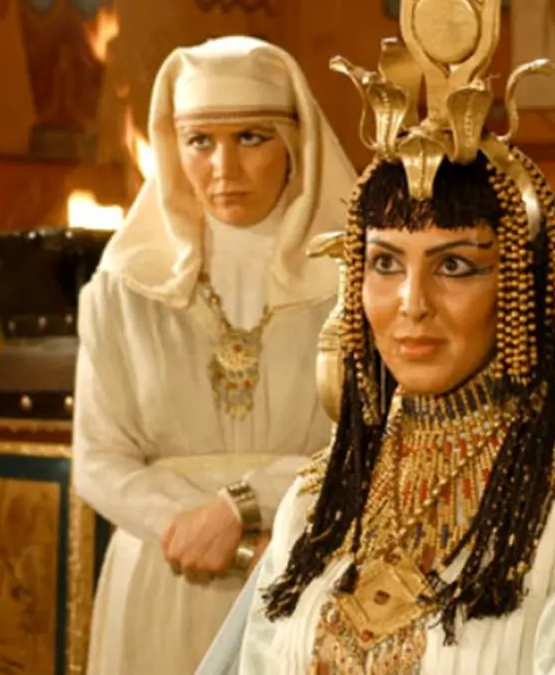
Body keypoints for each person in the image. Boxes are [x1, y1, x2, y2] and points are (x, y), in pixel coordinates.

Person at [199, 4, 555, 672]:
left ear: (518, 286)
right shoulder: (324, 496)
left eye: (455, 267)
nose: (412, 304)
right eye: (385, 264)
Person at [72, 36, 357, 674]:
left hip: (302, 565)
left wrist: (245, 508)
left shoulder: (358, 279)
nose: (224, 167)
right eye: (199, 141)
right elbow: (97, 460)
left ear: (296, 141)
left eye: (251, 137)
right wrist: (193, 528)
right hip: (163, 574)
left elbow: (372, 444)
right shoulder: (124, 285)